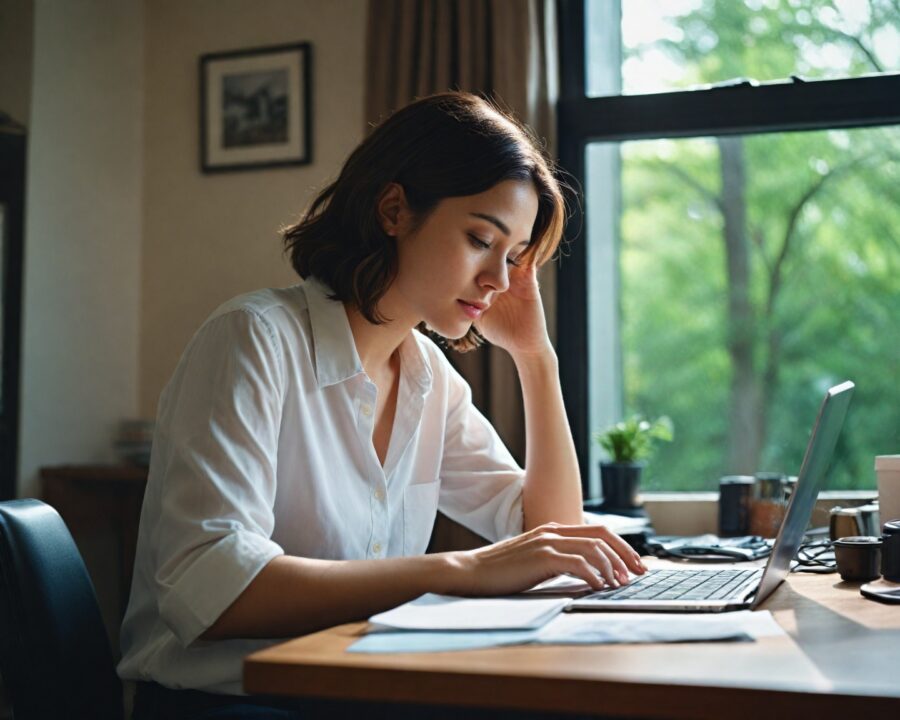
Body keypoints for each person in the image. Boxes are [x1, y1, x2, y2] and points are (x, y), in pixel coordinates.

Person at [119, 91, 646, 719]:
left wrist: (536, 359)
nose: (499, 281)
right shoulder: (254, 337)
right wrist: (459, 570)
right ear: (394, 209)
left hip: (353, 686)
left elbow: (549, 540)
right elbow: (212, 588)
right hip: (224, 700)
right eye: (482, 239)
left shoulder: (431, 379)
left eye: (513, 258)